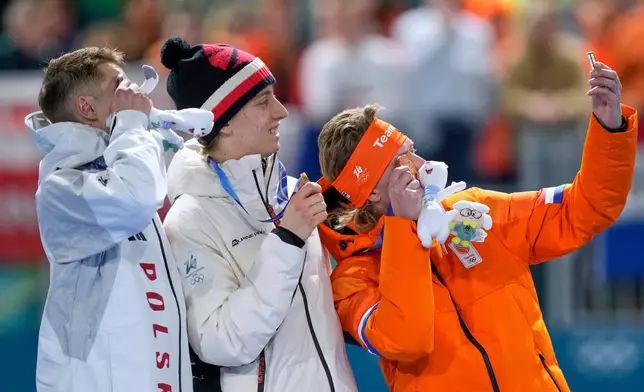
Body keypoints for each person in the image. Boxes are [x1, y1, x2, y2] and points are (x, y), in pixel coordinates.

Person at [315, 61, 637, 391]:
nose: (422, 166)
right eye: (399, 163)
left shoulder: (474, 209)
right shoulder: (350, 281)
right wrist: (403, 230)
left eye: (412, 151)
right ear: (368, 194)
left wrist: (609, 128)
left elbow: (584, 209)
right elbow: (406, 340)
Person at [159, 37, 357, 392]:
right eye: (264, 101)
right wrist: (288, 239)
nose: (281, 111)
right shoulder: (189, 221)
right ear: (225, 122)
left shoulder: (291, 194)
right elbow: (222, 342)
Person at [27, 47, 192, 392]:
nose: (133, 96)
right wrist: (133, 127)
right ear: (87, 107)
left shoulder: (120, 161)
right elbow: (137, 197)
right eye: (120, 88)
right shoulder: (60, 188)